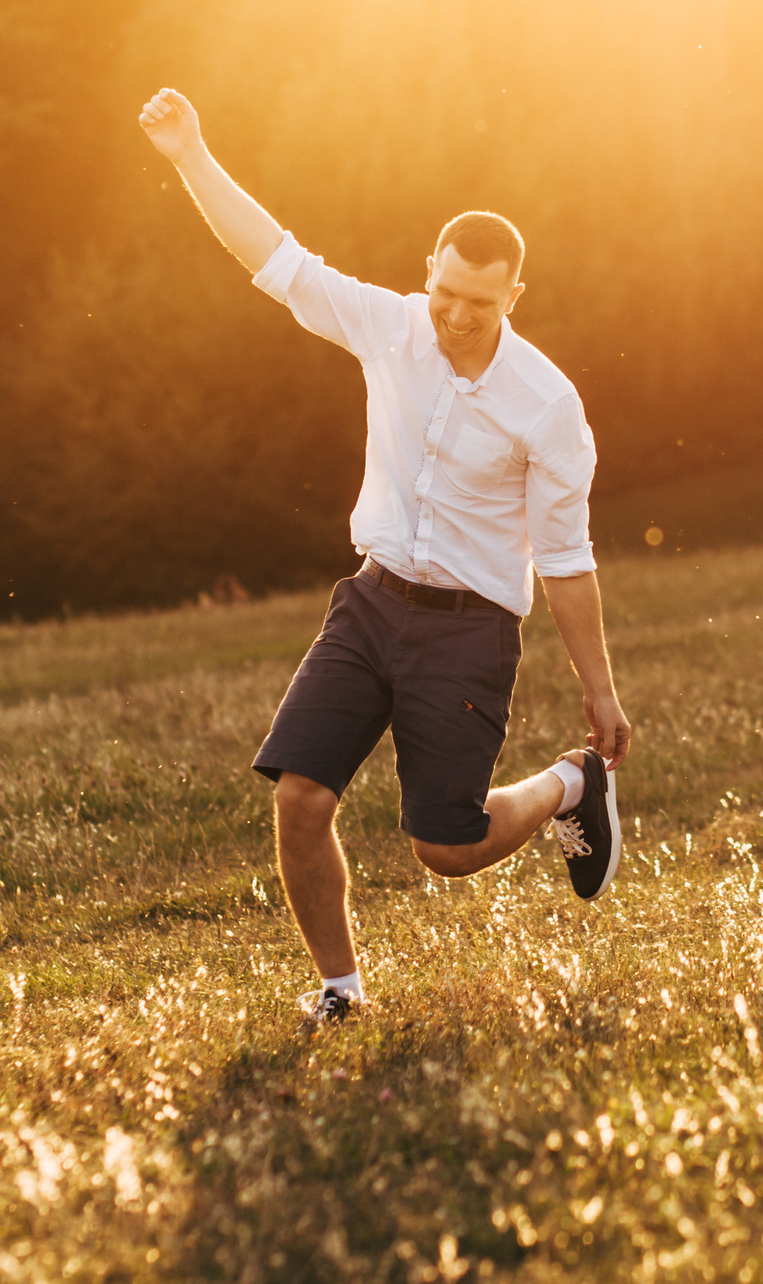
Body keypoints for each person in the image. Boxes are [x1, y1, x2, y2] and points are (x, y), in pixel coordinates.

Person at [137, 86, 631, 1023]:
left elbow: (566, 558)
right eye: (443, 291)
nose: (453, 315)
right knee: (299, 798)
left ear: (514, 296)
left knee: (443, 848)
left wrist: (600, 690)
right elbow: (275, 257)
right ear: (429, 274)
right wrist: (189, 155)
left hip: (469, 632)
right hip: (369, 604)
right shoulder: (392, 326)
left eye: (477, 304)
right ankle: (340, 989)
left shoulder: (548, 404)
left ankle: (572, 784)